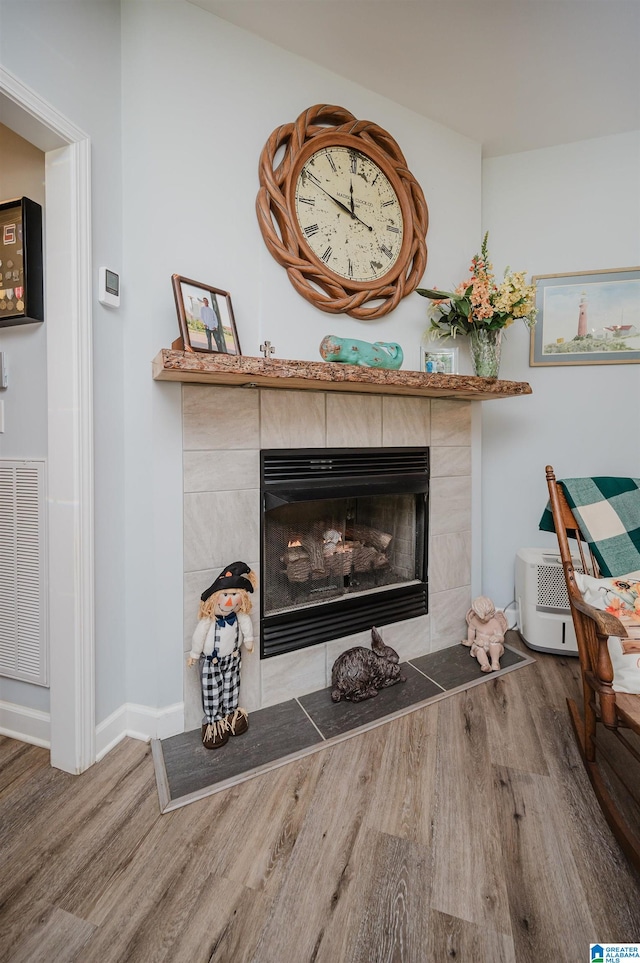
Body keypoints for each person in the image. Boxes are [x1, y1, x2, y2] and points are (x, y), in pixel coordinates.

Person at [187, 561, 256, 749]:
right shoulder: (208, 621)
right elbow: (199, 636)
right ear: (214, 598)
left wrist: (249, 640)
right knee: (212, 691)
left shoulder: (240, 616)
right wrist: (194, 654)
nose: (229, 600)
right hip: (212, 662)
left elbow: (246, 627)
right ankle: (213, 722)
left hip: (233, 658)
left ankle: (230, 714)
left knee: (232, 686)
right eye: (225, 595)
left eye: (234, 595)